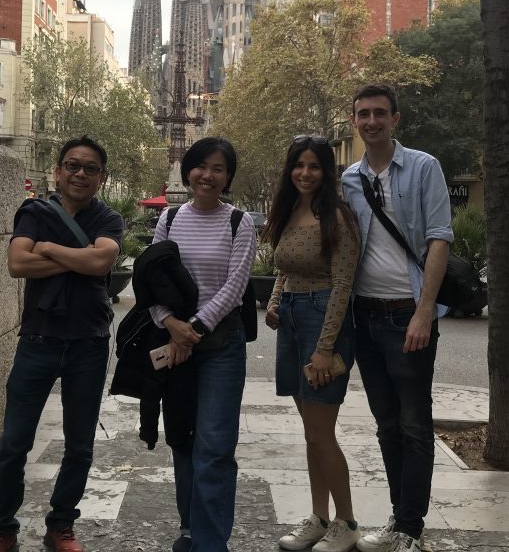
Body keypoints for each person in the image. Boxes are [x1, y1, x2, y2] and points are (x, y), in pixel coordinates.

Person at [0, 136, 124, 552]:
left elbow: (101, 262)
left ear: (101, 178)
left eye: (90, 168)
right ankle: (1, 529)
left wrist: (45, 247)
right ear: (58, 172)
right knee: (14, 443)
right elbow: (16, 264)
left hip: (89, 343)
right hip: (39, 340)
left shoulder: (108, 218)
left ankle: (61, 525)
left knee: (79, 445)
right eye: (73, 166)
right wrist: (75, 256)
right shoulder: (34, 211)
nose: (81, 174)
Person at [341, 85, 453, 552]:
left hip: (407, 313)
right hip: (364, 315)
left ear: (395, 119)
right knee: (385, 422)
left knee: (413, 422)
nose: (372, 121)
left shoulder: (424, 167)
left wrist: (424, 312)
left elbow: (439, 239)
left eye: (380, 114)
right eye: (363, 114)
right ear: (355, 121)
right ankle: (397, 518)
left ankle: (411, 526)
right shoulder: (349, 178)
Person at [150, 137, 256, 552]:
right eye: (200, 166)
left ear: (228, 177)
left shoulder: (239, 222)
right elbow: (152, 279)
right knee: (182, 438)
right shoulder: (170, 219)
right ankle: (189, 529)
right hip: (176, 343)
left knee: (214, 445)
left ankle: (211, 543)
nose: (207, 175)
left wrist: (192, 327)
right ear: (188, 170)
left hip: (220, 347)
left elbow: (235, 285)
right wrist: (170, 323)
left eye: (218, 169)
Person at [263, 135, 364, 552]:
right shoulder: (288, 212)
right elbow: (284, 269)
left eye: (315, 166)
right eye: (299, 166)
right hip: (290, 318)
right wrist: (273, 303)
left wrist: (325, 348)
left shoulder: (337, 218)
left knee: (322, 434)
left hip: (324, 321)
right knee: (311, 433)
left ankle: (347, 521)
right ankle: (319, 517)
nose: (305, 173)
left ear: (328, 172)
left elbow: (343, 284)